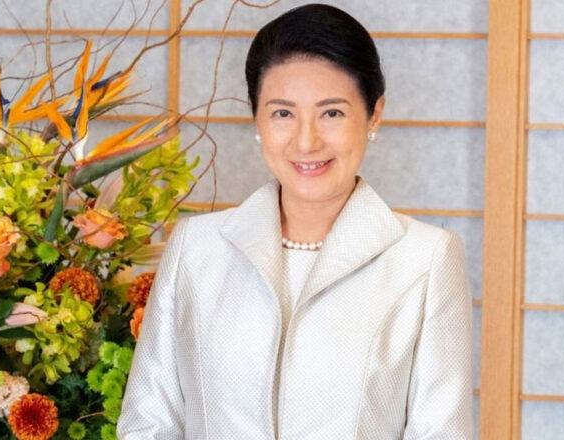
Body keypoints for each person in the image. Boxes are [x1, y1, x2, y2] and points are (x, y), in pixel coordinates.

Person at [117, 3, 472, 439]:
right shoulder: (196, 248)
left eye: (332, 113)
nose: (306, 141)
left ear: (374, 114)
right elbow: (148, 423)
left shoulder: (425, 259)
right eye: (283, 113)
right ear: (257, 118)